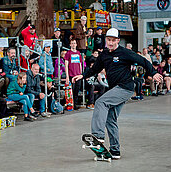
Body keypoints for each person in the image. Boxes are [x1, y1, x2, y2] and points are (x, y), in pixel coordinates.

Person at [72, 28, 163, 159]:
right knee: (110, 119)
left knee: (101, 102)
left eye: (113, 41)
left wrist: (153, 73)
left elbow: (143, 61)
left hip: (125, 87)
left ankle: (98, 135)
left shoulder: (125, 53)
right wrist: (82, 75)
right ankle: (115, 151)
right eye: (108, 40)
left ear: (118, 41)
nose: (110, 43)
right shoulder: (104, 55)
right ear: (106, 40)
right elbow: (95, 69)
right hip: (115, 89)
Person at [65, 39, 83, 110]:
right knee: (71, 91)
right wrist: (67, 76)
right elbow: (66, 65)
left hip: (78, 75)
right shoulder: (68, 53)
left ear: (76, 44)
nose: (73, 44)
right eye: (72, 43)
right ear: (70, 44)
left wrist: (81, 73)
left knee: (76, 90)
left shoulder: (78, 53)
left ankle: (75, 104)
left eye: (74, 43)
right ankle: (70, 104)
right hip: (71, 74)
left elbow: (80, 63)